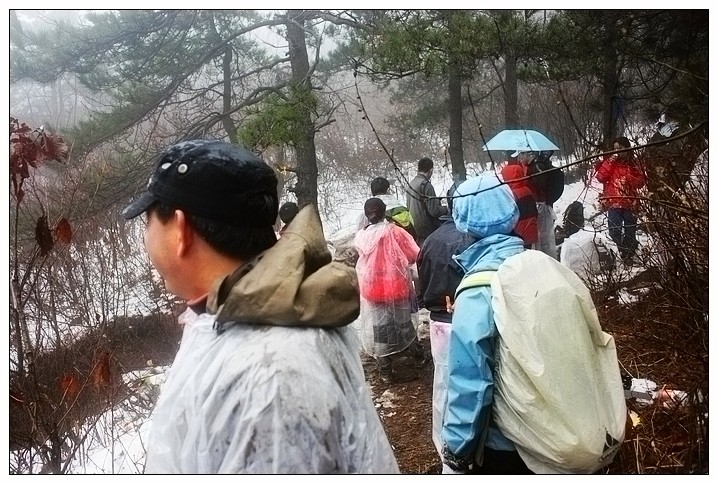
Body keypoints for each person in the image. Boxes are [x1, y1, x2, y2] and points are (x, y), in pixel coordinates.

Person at [122, 140, 399, 473]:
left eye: (148, 223)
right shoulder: (235, 317)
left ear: (180, 229)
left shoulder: (265, 376)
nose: (146, 237)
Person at [440, 172, 533, 474]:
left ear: (463, 222)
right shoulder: (539, 266)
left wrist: (457, 447)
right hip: (547, 429)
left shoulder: (478, 288)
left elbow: (471, 378)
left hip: (504, 442)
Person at [415, 185, 473, 456]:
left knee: (443, 385)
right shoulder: (470, 239)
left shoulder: (430, 240)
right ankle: (462, 449)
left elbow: (422, 280)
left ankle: (444, 445)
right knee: (468, 384)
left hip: (438, 322)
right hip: (463, 319)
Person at [354, 197, 428, 384]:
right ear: (384, 212)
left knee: (380, 328)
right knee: (404, 323)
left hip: (372, 288)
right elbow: (414, 253)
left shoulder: (361, 236)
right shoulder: (394, 232)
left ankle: (385, 370)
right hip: (396, 286)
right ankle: (418, 357)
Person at [595, 136, 646, 263]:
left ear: (627, 148)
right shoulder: (610, 163)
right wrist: (609, 162)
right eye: (615, 149)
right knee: (614, 231)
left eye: (620, 148)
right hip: (614, 203)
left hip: (630, 203)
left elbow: (640, 182)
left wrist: (629, 177)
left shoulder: (633, 164)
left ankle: (629, 254)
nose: (618, 151)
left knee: (630, 231)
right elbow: (600, 177)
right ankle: (620, 252)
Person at [515, 150, 558, 259]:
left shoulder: (537, 167)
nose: (520, 159)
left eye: (521, 156)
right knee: (539, 234)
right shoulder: (530, 167)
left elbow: (541, 185)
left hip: (540, 204)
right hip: (537, 203)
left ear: (527, 154)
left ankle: (545, 257)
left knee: (542, 234)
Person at [356, 176, 417, 241]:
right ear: (388, 190)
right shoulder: (401, 208)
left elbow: (358, 236)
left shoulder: (369, 211)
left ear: (372, 192)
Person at [406, 157, 448, 247]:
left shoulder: (411, 184)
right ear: (431, 170)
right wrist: (446, 209)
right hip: (428, 231)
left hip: (415, 229)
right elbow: (434, 211)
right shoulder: (426, 185)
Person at [500, 159, 538, 249]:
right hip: (531, 229)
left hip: (519, 233)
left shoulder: (511, 194)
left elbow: (508, 217)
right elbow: (535, 211)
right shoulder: (527, 190)